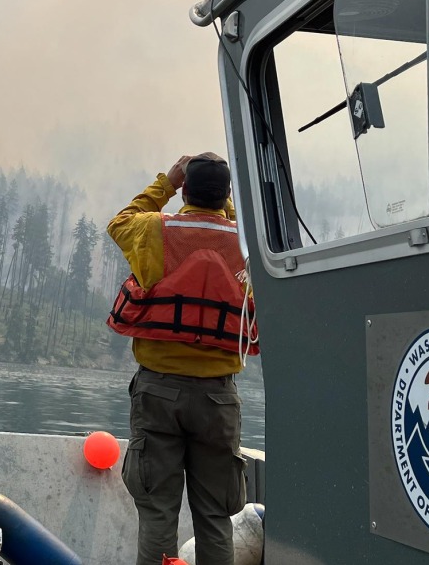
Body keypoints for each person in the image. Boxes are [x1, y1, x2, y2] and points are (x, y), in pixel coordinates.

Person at [106, 153, 257, 565]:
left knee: (158, 509)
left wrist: (165, 183)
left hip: (158, 392)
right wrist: (222, 205)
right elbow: (225, 226)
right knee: (215, 516)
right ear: (225, 195)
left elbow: (119, 222)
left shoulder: (156, 230)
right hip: (218, 400)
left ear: (184, 190)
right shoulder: (245, 244)